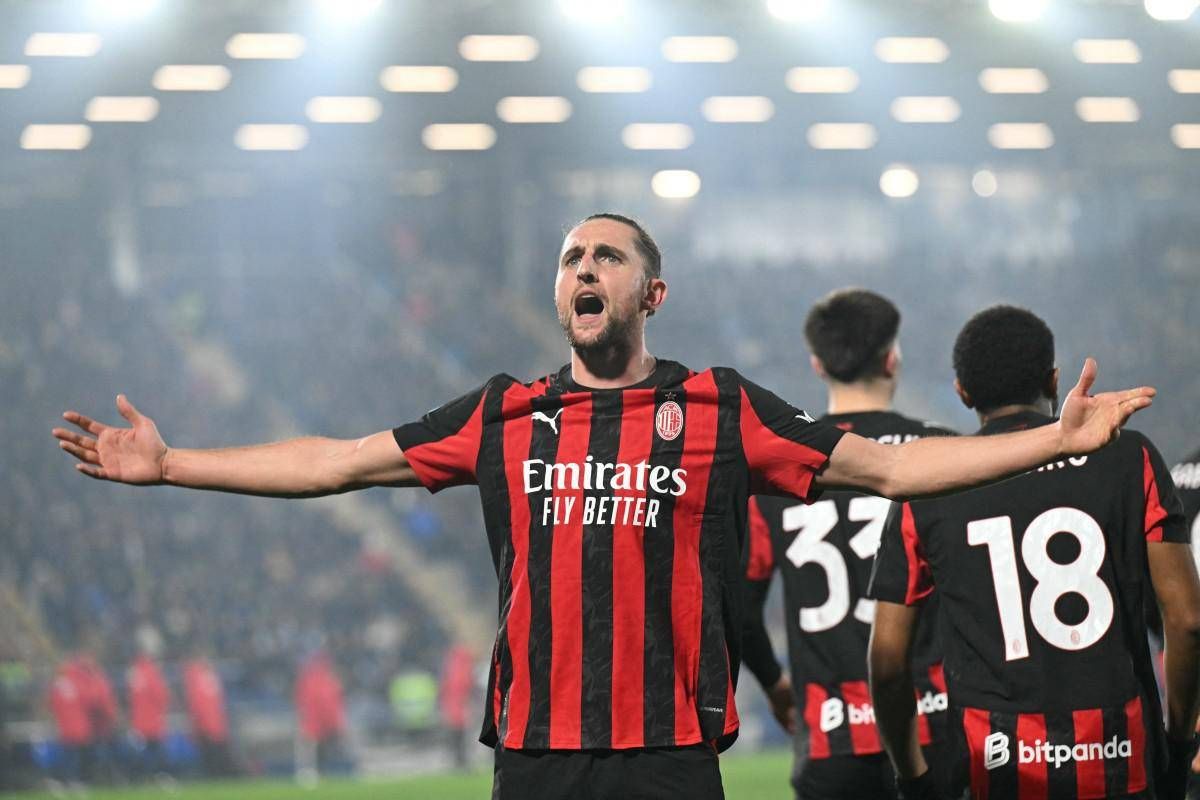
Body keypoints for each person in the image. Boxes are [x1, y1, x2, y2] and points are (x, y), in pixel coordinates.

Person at [53, 214, 1157, 800]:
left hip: (669, 759)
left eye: (607, 255)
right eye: (570, 255)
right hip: (537, 760)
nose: (583, 266)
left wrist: (1049, 440)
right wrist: (175, 462)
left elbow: (889, 471)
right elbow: (338, 462)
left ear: (649, 293)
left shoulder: (721, 406)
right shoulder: (506, 413)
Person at [867, 306, 1200, 800]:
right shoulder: (1131, 458)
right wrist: (1178, 740)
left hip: (994, 766)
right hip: (1120, 760)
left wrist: (911, 777)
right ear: (1053, 380)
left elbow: (889, 663)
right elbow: (1188, 620)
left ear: (962, 393)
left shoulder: (927, 489)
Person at [741, 289, 954, 800]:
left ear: (817, 365)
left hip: (830, 736)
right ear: (891, 359)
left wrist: (774, 684)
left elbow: (742, 608)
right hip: (933, 725)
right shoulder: (944, 455)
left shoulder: (780, 472)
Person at [183, 652, 238, 778]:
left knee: (214, 752)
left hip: (213, 723)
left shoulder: (206, 676)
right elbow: (198, 703)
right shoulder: (200, 676)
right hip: (209, 723)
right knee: (211, 752)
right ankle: (215, 775)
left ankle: (217, 774)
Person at [295, 651, 347, 777]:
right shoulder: (324, 682)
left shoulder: (317, 681)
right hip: (318, 722)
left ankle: (313, 771)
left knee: (317, 749)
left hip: (318, 722)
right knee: (314, 748)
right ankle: (311, 771)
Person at [128, 650, 171, 780]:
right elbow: (161, 696)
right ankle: (160, 775)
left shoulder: (135, 672)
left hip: (138, 721)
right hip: (152, 720)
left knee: (142, 751)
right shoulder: (152, 673)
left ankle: (138, 777)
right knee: (157, 750)